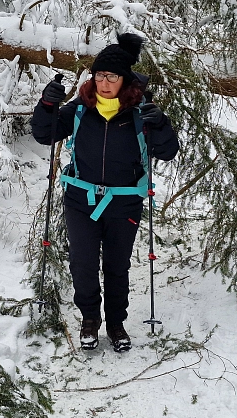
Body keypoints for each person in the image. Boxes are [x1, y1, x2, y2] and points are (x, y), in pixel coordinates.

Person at [31, 34, 179, 352]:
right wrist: (47, 105)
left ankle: (115, 324)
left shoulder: (141, 112)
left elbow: (167, 152)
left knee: (116, 265)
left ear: (124, 79)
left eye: (111, 76)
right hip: (81, 199)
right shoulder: (81, 109)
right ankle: (89, 321)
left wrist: (162, 124)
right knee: (83, 264)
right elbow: (45, 134)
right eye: (99, 75)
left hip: (124, 201)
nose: (104, 82)